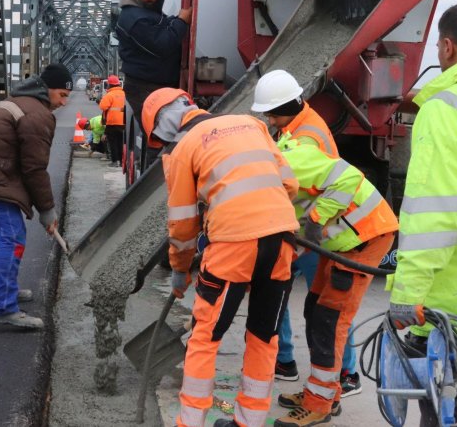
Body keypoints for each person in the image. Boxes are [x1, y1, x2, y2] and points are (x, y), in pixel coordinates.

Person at [141, 87, 299, 427]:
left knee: (205, 337)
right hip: (282, 239)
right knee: (263, 336)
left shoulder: (183, 150)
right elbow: (289, 185)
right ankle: (249, 421)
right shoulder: (252, 124)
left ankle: (190, 422)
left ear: (164, 129)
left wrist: (180, 271)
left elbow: (182, 224)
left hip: (232, 245)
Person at [387, 2, 457, 424]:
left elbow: (432, 212)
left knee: (447, 414)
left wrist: (408, 292)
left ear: (448, 47)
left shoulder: (449, 107)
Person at [273, 133, 398, 427]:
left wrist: (317, 219)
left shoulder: (289, 163)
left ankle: (319, 405)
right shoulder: (269, 169)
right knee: (314, 310)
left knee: (329, 320)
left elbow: (349, 178)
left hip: (366, 237)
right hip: (341, 241)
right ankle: (325, 393)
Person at [250, 69, 362, 396]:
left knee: (330, 305)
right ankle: (284, 361)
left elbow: (291, 183)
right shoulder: (295, 125)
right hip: (296, 228)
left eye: (272, 114)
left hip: (315, 232)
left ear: (288, 106)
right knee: (275, 292)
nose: (270, 120)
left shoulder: (307, 136)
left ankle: (345, 373)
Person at [0, 64, 72, 329]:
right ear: (48, 89)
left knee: (9, 237)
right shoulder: (38, 115)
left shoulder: (22, 100)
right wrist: (47, 210)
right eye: (62, 95)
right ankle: (3, 306)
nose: (64, 102)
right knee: (11, 239)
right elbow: (35, 169)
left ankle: (5, 289)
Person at [116, 0, 191, 170]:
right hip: (145, 88)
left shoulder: (144, 12)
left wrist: (174, 20)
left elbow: (161, 27)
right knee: (159, 138)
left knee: (161, 136)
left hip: (155, 85)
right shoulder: (134, 19)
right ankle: (155, 183)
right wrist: (181, 21)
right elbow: (162, 45)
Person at [99, 74, 125, 167]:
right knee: (121, 142)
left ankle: (115, 161)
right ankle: (122, 162)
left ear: (109, 84)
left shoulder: (109, 95)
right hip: (124, 122)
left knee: (113, 143)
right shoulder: (124, 94)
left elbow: (103, 106)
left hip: (112, 123)